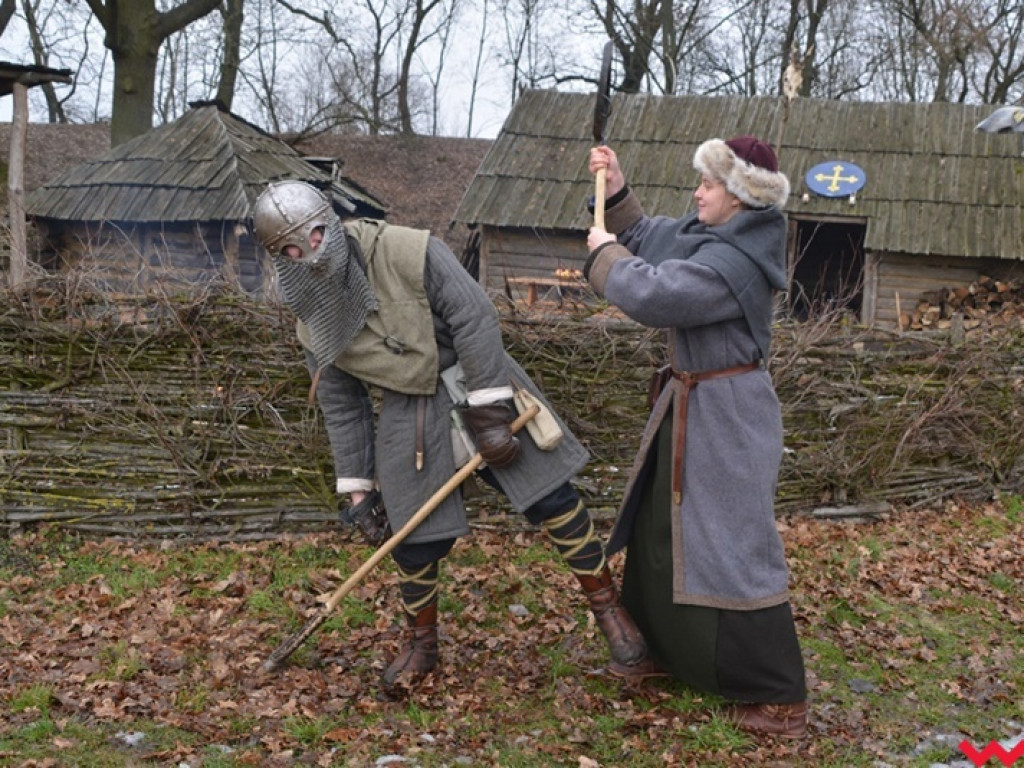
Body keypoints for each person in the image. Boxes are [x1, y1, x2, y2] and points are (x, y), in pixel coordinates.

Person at [251, 180, 649, 687]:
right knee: (411, 537)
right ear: (278, 258)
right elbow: (342, 401)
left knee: (552, 498)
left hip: (477, 379)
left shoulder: (407, 250)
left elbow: (474, 315)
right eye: (289, 249)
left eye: (311, 236)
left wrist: (489, 411)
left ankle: (616, 621)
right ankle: (422, 647)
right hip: (408, 409)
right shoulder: (312, 317)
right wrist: (357, 488)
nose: (307, 254)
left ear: (327, 223)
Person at [583, 137, 808, 738]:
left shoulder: (735, 265)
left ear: (739, 195)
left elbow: (658, 294)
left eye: (708, 184)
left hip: (730, 419)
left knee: (733, 544)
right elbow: (655, 236)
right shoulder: (717, 236)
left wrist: (605, 258)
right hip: (689, 405)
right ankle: (666, 650)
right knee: (664, 524)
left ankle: (780, 695)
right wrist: (616, 192)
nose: (697, 191)